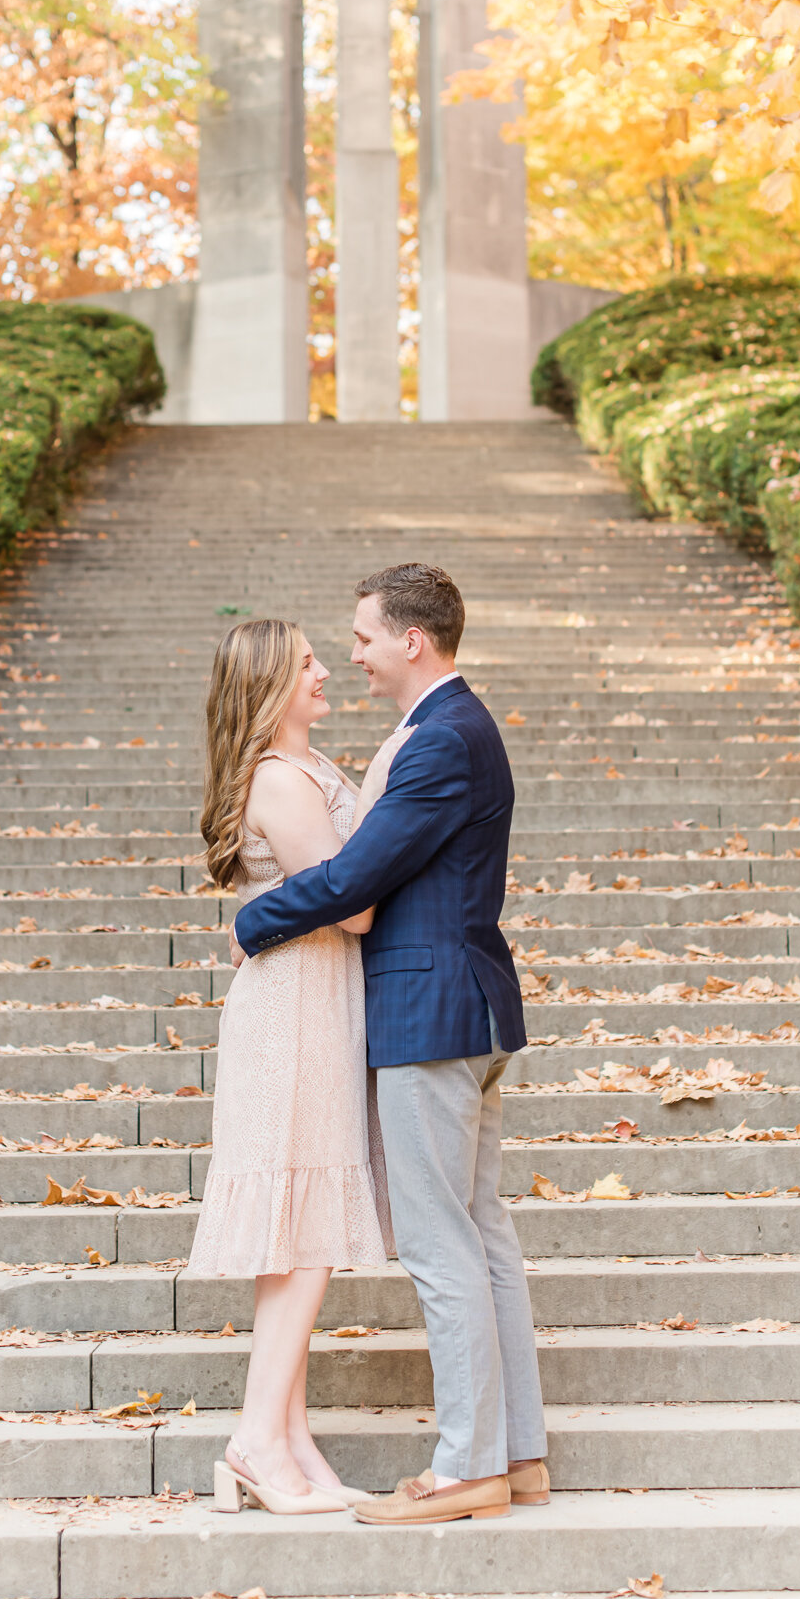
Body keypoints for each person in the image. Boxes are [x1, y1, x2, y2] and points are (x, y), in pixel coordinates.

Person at [232, 563, 549, 1525]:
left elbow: (352, 881)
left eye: (364, 636)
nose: (355, 655)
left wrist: (251, 922)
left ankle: (466, 1468)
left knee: (442, 1242)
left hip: (430, 1015)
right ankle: (515, 1454)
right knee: (483, 1237)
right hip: (464, 1008)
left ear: (412, 640)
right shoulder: (440, 728)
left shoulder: (442, 736)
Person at [187, 616, 393, 1516]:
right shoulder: (279, 777)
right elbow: (349, 909)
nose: (323, 670)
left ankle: (289, 1435)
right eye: (306, 661)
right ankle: (253, 1439)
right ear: (270, 683)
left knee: (294, 1234)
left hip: (314, 1001)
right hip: (296, 1009)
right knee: (303, 1233)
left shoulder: (304, 770)